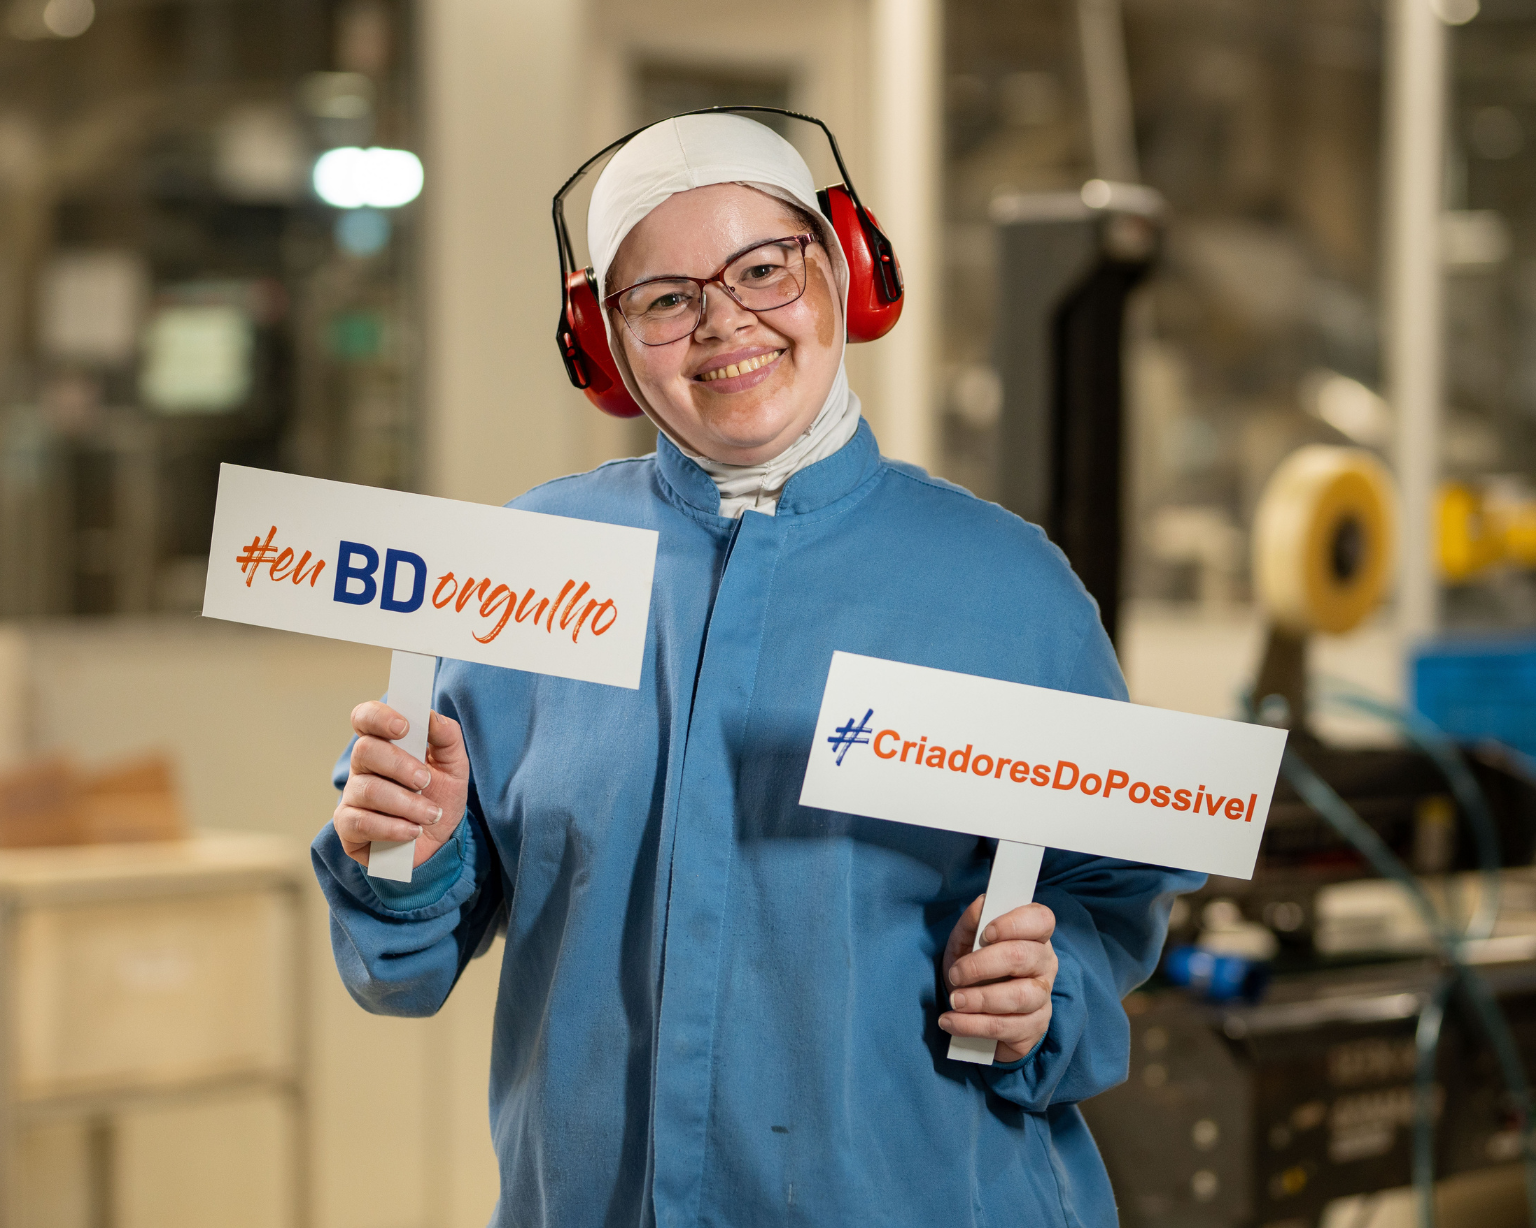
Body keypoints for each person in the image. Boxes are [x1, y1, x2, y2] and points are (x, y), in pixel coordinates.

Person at [313, 113, 1202, 1227]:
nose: (725, 323)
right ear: (606, 342)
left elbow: (1107, 902)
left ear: (844, 271)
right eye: (666, 297)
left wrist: (1043, 985)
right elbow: (402, 967)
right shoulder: (527, 576)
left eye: (764, 268)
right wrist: (405, 850)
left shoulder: (1007, 589)